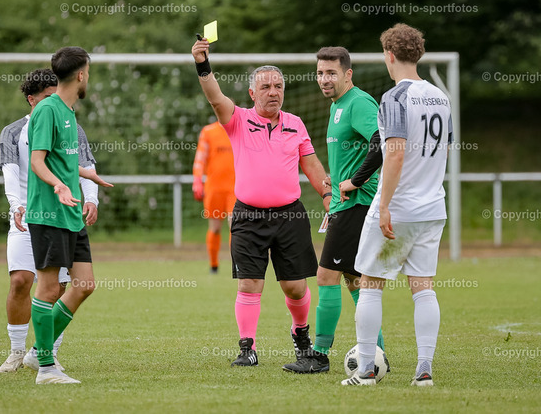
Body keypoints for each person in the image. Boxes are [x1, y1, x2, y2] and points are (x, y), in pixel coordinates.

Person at [191, 38, 330, 368]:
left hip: (290, 216)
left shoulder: (295, 124)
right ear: (253, 93)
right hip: (248, 216)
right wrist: (202, 64)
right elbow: (215, 97)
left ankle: (301, 337)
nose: (273, 92)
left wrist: (328, 196)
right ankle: (247, 348)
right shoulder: (237, 119)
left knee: (294, 287)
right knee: (249, 283)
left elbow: (311, 164)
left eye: (278, 86)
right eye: (266, 86)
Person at [342, 23, 452, 386]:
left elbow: (396, 152)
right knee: (423, 287)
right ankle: (424, 370)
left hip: (400, 208)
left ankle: (366, 371)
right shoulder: (441, 97)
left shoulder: (395, 97)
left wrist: (385, 204)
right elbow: (443, 150)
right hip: (432, 207)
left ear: (389, 55)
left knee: (370, 283)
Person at [283, 47, 387, 373]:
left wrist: (355, 180)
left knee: (326, 275)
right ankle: (378, 353)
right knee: (355, 280)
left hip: (357, 203)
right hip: (347, 204)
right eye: (320, 73)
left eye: (331, 73)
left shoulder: (359, 102)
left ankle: (319, 355)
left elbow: (381, 141)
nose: (324, 79)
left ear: (347, 74)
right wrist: (338, 178)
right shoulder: (337, 105)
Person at [0, 68, 100, 373]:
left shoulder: (71, 125)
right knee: (20, 281)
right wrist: (16, 205)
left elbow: (85, 165)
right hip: (28, 214)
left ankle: (45, 351)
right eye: (46, 97)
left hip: (62, 214)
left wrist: (91, 198)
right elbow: (11, 173)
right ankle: (17, 351)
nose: (54, 101)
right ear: (31, 100)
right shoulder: (13, 132)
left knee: (58, 287)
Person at [23, 47, 112, 384]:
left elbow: (62, 160)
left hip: (70, 213)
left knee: (84, 284)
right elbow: (37, 161)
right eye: (89, 73)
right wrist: (59, 185)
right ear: (81, 75)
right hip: (49, 213)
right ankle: (46, 368)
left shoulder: (68, 112)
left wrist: (86, 175)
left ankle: (38, 352)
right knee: (48, 289)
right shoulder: (47, 110)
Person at [192, 121, 235, 274]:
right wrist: (197, 180)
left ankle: (237, 265)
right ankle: (213, 265)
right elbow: (200, 158)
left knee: (235, 226)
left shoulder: (239, 130)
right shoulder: (208, 132)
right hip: (214, 189)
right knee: (215, 228)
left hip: (235, 189)